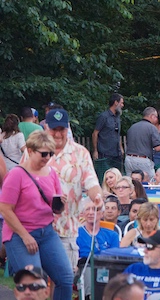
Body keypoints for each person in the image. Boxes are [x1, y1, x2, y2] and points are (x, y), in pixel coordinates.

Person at [0, 130, 74, 300]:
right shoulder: (16, 175)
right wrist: (25, 236)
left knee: (65, 278)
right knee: (34, 284)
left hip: (46, 232)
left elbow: (55, 208)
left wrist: (60, 204)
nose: (47, 157)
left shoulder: (51, 173)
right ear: (31, 151)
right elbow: (5, 209)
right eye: (43, 153)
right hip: (20, 235)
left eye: (50, 153)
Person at [44, 108, 103, 270]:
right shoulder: (33, 150)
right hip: (37, 228)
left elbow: (91, 181)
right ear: (46, 128)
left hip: (66, 228)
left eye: (61, 129)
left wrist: (97, 196)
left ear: (67, 128)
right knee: (36, 285)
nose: (57, 134)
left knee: (63, 282)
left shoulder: (80, 153)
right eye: (54, 129)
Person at [77, 198, 120, 264]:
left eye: (95, 209)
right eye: (87, 209)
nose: (90, 213)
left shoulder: (113, 235)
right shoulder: (76, 234)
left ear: (102, 214)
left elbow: (114, 261)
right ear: (83, 213)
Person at [126, 107, 160, 178]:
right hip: (142, 160)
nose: (156, 119)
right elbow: (157, 148)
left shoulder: (132, 127)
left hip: (128, 159)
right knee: (150, 181)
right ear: (152, 116)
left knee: (130, 183)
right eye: (156, 117)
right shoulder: (152, 128)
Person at [91, 93, 125, 171]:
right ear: (116, 102)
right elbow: (95, 133)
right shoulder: (104, 116)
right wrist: (95, 151)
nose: (122, 105)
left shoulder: (118, 117)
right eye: (121, 102)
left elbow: (117, 133)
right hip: (105, 153)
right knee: (105, 176)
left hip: (117, 153)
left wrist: (121, 148)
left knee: (117, 176)